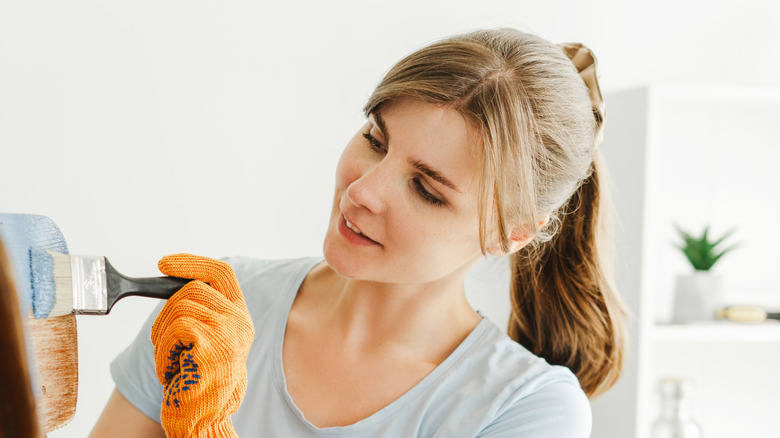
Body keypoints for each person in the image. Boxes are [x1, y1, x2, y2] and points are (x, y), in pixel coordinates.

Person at [91, 27, 627, 437]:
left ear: (512, 233)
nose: (362, 193)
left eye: (426, 189)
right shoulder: (217, 311)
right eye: (375, 138)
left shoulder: (524, 409)